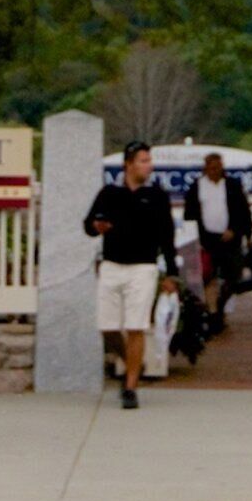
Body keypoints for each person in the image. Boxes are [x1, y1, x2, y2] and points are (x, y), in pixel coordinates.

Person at [86, 142, 179, 409]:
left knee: (135, 325)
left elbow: (167, 237)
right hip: (112, 264)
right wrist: (97, 226)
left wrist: (171, 273)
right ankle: (132, 364)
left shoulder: (156, 196)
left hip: (143, 266)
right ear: (128, 164)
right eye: (143, 161)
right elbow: (89, 225)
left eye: (149, 160)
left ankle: (130, 387)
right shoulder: (109, 193)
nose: (148, 165)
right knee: (108, 327)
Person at [192, 150, 252, 304]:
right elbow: (190, 214)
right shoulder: (197, 187)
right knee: (208, 276)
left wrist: (243, 232)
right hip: (207, 240)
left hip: (230, 238)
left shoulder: (232, 185)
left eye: (218, 167)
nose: (215, 171)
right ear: (205, 168)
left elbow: (243, 211)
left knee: (233, 277)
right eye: (211, 168)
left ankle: (223, 302)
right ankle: (213, 311)